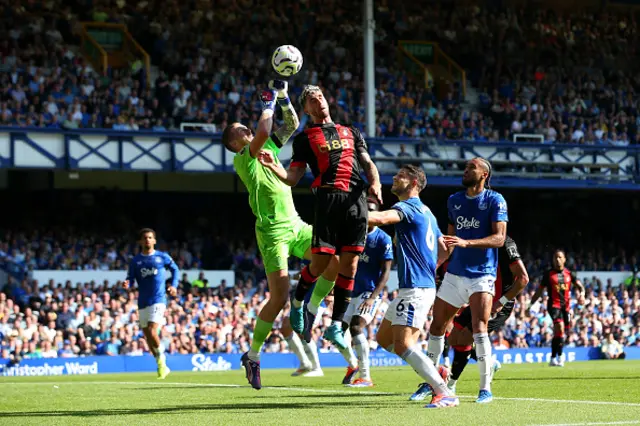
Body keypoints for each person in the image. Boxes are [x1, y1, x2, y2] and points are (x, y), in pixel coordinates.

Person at [221, 80, 338, 390]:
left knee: (334, 258)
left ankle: (309, 309)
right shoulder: (243, 157)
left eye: (245, 128)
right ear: (235, 142)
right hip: (271, 232)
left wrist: (284, 97)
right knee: (278, 297)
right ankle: (253, 355)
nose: (246, 131)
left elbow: (293, 123)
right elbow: (261, 131)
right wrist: (267, 102)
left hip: (295, 223)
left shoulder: (268, 146)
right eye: (240, 131)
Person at [258, 85, 382, 350]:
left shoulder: (351, 132)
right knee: (321, 263)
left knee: (349, 266)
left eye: (321, 97)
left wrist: (376, 182)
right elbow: (293, 178)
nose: (319, 102)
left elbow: (367, 161)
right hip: (328, 200)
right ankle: (298, 301)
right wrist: (273, 166)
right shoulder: (305, 138)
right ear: (307, 109)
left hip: (356, 201)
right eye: (313, 100)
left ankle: (336, 325)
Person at [369, 165, 459, 409]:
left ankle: (444, 392)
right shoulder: (428, 213)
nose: (395, 178)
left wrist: (347, 212)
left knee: (403, 344)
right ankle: (435, 369)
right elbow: (443, 248)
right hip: (417, 286)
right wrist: (431, 267)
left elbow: (379, 218)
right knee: (384, 339)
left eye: (401, 176)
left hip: (416, 288)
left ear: (414, 183)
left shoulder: (406, 207)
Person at [426, 157, 508, 404]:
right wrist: (435, 264)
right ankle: (431, 382)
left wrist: (467, 242)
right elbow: (451, 242)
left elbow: (499, 238)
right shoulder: (454, 200)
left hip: (482, 274)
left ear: (484, 174)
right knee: (436, 325)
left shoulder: (495, 200)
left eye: (471, 167)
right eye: (466, 166)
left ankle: (485, 389)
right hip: (454, 274)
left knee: (479, 329)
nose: (466, 170)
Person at [411, 235, 529, 400]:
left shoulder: (505, 244)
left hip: (499, 303)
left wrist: (502, 301)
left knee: (466, 337)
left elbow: (523, 278)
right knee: (453, 339)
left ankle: (451, 385)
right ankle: (489, 363)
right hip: (477, 297)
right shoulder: (474, 237)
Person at [342, 198, 393, 387]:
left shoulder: (383, 239)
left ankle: (365, 376)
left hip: (369, 293)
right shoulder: (354, 234)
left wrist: (373, 298)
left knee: (356, 327)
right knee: (336, 333)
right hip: (351, 292)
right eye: (366, 210)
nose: (368, 214)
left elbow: (386, 272)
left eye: (372, 210)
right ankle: (353, 365)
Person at [123, 228, 179, 379]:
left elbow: (175, 270)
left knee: (153, 330)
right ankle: (160, 364)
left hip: (158, 300)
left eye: (150, 237)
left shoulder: (162, 257)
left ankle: (162, 361)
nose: (147, 240)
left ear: (154, 240)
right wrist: (127, 283)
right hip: (143, 301)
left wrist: (173, 285)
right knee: (147, 335)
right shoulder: (136, 261)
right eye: (145, 238)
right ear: (140, 241)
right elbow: (130, 277)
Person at [530, 249, 584, 367]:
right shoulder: (548, 274)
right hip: (553, 305)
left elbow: (580, 287)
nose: (557, 260)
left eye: (560, 257)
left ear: (564, 259)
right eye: (555, 257)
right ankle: (559, 357)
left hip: (567, 308)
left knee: (561, 333)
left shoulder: (569, 274)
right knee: (559, 327)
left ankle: (554, 357)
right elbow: (539, 291)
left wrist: (582, 295)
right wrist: (530, 304)